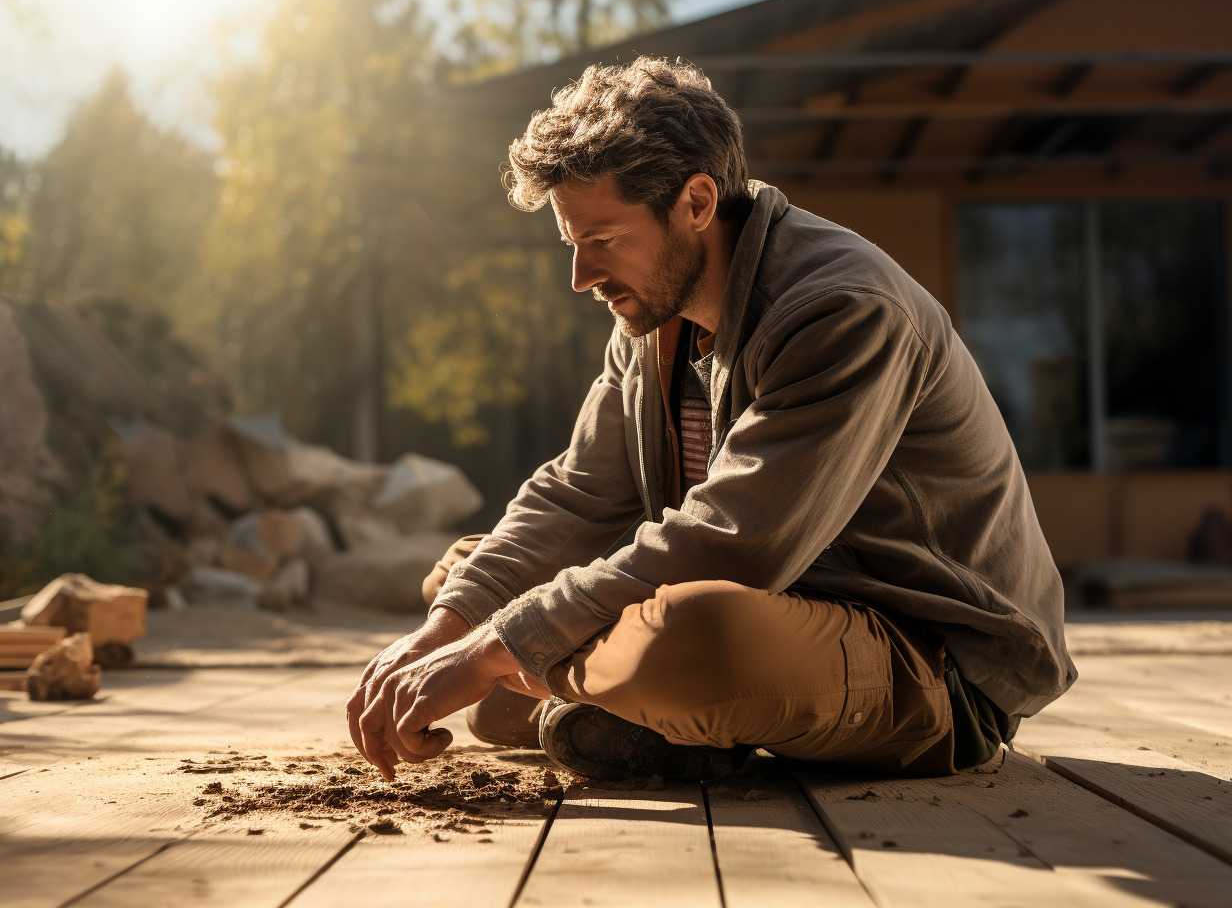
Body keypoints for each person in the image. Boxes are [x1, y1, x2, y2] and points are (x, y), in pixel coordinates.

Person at [346, 56, 1076, 782]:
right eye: (573, 245)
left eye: (602, 241)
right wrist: (444, 634)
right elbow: (579, 494)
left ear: (696, 202)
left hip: (930, 657)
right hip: (775, 600)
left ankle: (617, 692)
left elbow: (734, 546)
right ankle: (616, 698)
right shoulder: (650, 310)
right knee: (470, 575)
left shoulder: (842, 310)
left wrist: (497, 647)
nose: (582, 278)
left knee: (693, 637)